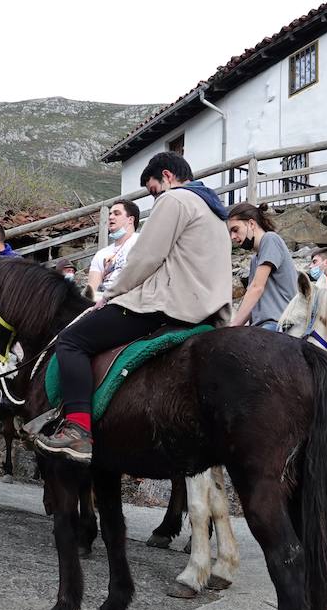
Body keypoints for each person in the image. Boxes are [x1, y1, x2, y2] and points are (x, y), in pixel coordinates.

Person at [36, 151, 231, 462]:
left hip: (167, 304)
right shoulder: (215, 210)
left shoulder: (175, 199)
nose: (155, 199)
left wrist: (110, 293)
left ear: (167, 176)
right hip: (208, 309)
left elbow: (146, 257)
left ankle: (77, 429)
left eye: (153, 190)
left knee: (72, 340)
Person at [228, 203, 297, 330]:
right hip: (262, 326)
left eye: (235, 230)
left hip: (278, 324)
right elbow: (252, 301)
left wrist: (233, 326)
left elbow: (256, 288)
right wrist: (233, 329)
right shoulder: (255, 259)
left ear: (251, 224)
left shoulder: (270, 239)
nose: (232, 237)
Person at [88, 200, 141, 297]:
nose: (111, 217)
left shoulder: (141, 241)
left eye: (117, 214)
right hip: (104, 302)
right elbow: (92, 291)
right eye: (110, 214)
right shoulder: (101, 254)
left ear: (130, 220)